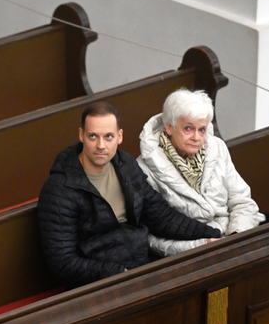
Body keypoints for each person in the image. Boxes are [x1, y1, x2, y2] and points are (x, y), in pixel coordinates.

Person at [37, 102, 222, 288]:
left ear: (119, 137)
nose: (101, 145)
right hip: (98, 285)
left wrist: (215, 235)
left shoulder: (126, 165)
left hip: (140, 267)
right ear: (81, 135)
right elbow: (62, 263)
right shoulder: (59, 189)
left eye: (108, 137)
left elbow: (161, 217)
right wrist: (117, 273)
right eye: (93, 136)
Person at [137, 88, 265, 256]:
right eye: (188, 128)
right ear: (169, 127)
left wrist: (236, 235)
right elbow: (153, 238)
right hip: (194, 251)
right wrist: (202, 245)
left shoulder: (217, 147)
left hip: (235, 235)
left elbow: (242, 201)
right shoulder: (144, 168)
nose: (196, 137)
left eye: (202, 129)